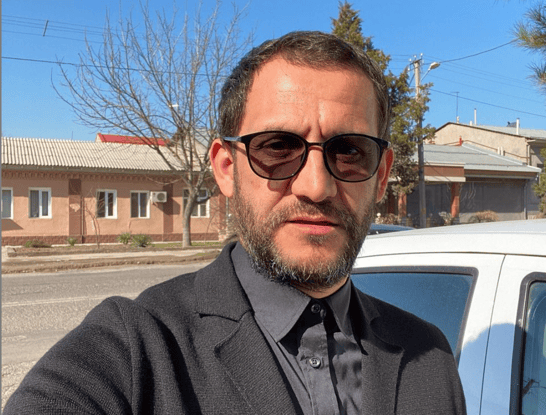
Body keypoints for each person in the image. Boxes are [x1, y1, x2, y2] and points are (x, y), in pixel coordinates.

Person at [5, 31, 466, 414]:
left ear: (381, 176)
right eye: (278, 147)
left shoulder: (430, 355)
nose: (316, 186)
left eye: (349, 151)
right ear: (226, 168)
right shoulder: (135, 351)